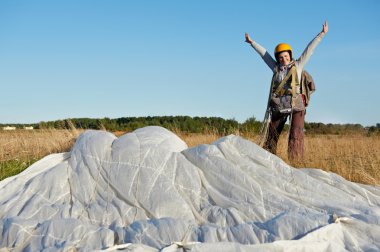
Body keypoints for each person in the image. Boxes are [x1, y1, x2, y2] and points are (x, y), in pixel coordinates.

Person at [245, 21, 328, 162]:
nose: (284, 59)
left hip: (296, 104)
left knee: (296, 134)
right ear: (278, 58)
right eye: (281, 57)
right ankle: (268, 159)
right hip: (280, 104)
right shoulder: (276, 68)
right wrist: (252, 42)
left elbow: (309, 50)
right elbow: (264, 55)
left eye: (286, 56)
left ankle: (296, 163)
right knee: (272, 132)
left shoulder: (298, 65)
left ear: (290, 55)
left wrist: (321, 34)